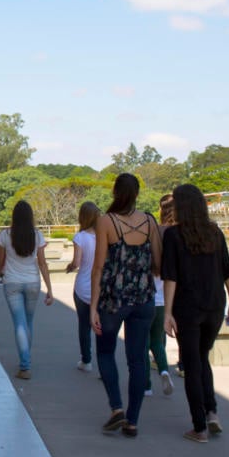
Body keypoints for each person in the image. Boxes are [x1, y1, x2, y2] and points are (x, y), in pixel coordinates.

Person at [162, 184, 229, 443]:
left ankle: (199, 427)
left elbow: (170, 277)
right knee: (203, 358)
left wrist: (168, 312)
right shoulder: (215, 232)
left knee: (192, 365)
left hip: (187, 307)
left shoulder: (174, 236)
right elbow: (227, 269)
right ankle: (212, 412)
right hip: (215, 305)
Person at [90, 174, 160, 438]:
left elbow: (98, 268)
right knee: (137, 359)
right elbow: (158, 263)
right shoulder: (149, 221)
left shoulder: (107, 221)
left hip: (113, 299)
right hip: (143, 299)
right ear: (137, 194)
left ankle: (116, 408)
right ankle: (133, 421)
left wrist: (94, 306)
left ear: (115, 192)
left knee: (106, 352)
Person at [0, 200, 54, 380]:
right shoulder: (37, 235)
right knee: (28, 322)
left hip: (12, 283)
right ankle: (26, 360)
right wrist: (50, 289)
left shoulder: (5, 235)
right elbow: (42, 263)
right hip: (33, 283)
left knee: (19, 323)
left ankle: (25, 365)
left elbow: (0, 262)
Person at [66, 201, 99, 373]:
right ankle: (104, 363)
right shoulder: (104, 236)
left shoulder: (80, 237)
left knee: (84, 325)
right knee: (103, 325)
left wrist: (69, 267)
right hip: (101, 287)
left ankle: (86, 360)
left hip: (83, 287)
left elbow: (77, 262)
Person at [146, 195, 174, 396]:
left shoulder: (145, 253)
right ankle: (164, 370)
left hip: (145, 302)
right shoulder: (166, 259)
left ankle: (146, 385)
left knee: (141, 345)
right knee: (157, 341)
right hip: (163, 302)